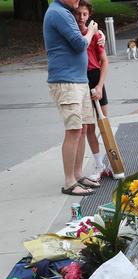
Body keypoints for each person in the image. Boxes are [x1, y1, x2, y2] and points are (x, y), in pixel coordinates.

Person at [44, 0, 102, 195]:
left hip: (78, 79)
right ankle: (69, 182)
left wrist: (96, 34)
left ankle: (78, 175)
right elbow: (79, 44)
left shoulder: (66, 12)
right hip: (66, 81)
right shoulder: (59, 13)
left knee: (83, 128)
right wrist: (93, 31)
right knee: (74, 130)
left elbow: (80, 35)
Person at [75, 0, 111, 181]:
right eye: (78, 14)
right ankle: (99, 166)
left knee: (105, 125)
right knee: (88, 127)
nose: (81, 17)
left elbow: (104, 61)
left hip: (96, 77)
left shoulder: (96, 35)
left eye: (85, 14)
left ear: (89, 16)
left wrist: (99, 86)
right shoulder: (73, 34)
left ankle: (113, 163)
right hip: (80, 81)